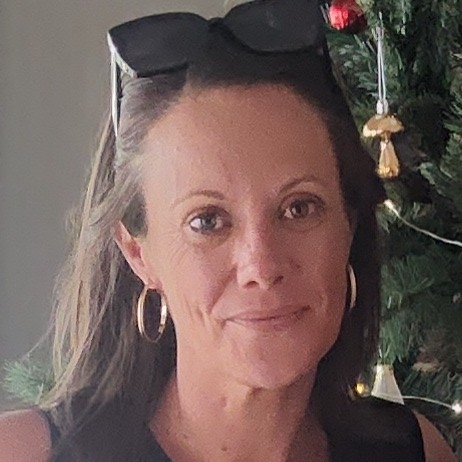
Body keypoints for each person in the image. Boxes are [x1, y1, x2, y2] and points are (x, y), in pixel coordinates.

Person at [0, 1, 457, 461]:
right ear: (139, 254)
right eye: (207, 221)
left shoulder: (414, 452)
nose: (262, 265)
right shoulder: (24, 453)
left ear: (349, 224)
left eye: (299, 208)